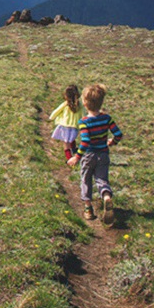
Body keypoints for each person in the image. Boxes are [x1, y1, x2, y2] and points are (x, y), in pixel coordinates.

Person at [68, 83, 123, 224]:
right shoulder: (107, 118)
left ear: (85, 104)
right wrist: (112, 142)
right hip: (103, 154)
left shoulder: (84, 122)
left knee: (86, 179)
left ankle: (88, 209)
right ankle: (106, 197)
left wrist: (77, 156)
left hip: (89, 156)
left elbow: (85, 141)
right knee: (102, 179)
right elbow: (118, 134)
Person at [49, 85, 81, 164]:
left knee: (66, 143)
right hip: (74, 126)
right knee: (72, 138)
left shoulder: (65, 104)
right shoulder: (80, 105)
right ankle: (73, 149)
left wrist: (51, 117)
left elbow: (57, 111)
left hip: (64, 126)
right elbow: (84, 114)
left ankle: (69, 158)